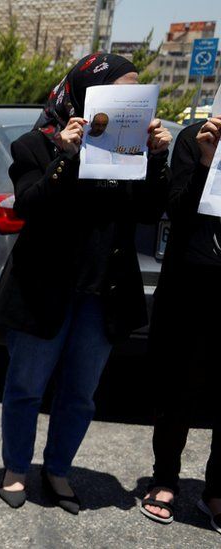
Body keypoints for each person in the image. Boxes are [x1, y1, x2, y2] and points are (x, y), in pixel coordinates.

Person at [0, 53, 172, 513]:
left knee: (79, 395)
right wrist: (66, 158)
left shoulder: (129, 149)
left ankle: (57, 470)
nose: (130, 101)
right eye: (120, 90)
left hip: (103, 294)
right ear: (87, 95)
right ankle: (16, 468)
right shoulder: (36, 144)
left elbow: (151, 211)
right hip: (43, 290)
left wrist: (157, 158)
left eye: (137, 93)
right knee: (26, 387)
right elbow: (29, 203)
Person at [139, 114, 221, 530]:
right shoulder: (196, 138)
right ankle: (165, 478)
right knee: (179, 387)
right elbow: (175, 210)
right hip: (193, 285)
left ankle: (217, 490)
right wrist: (207, 162)